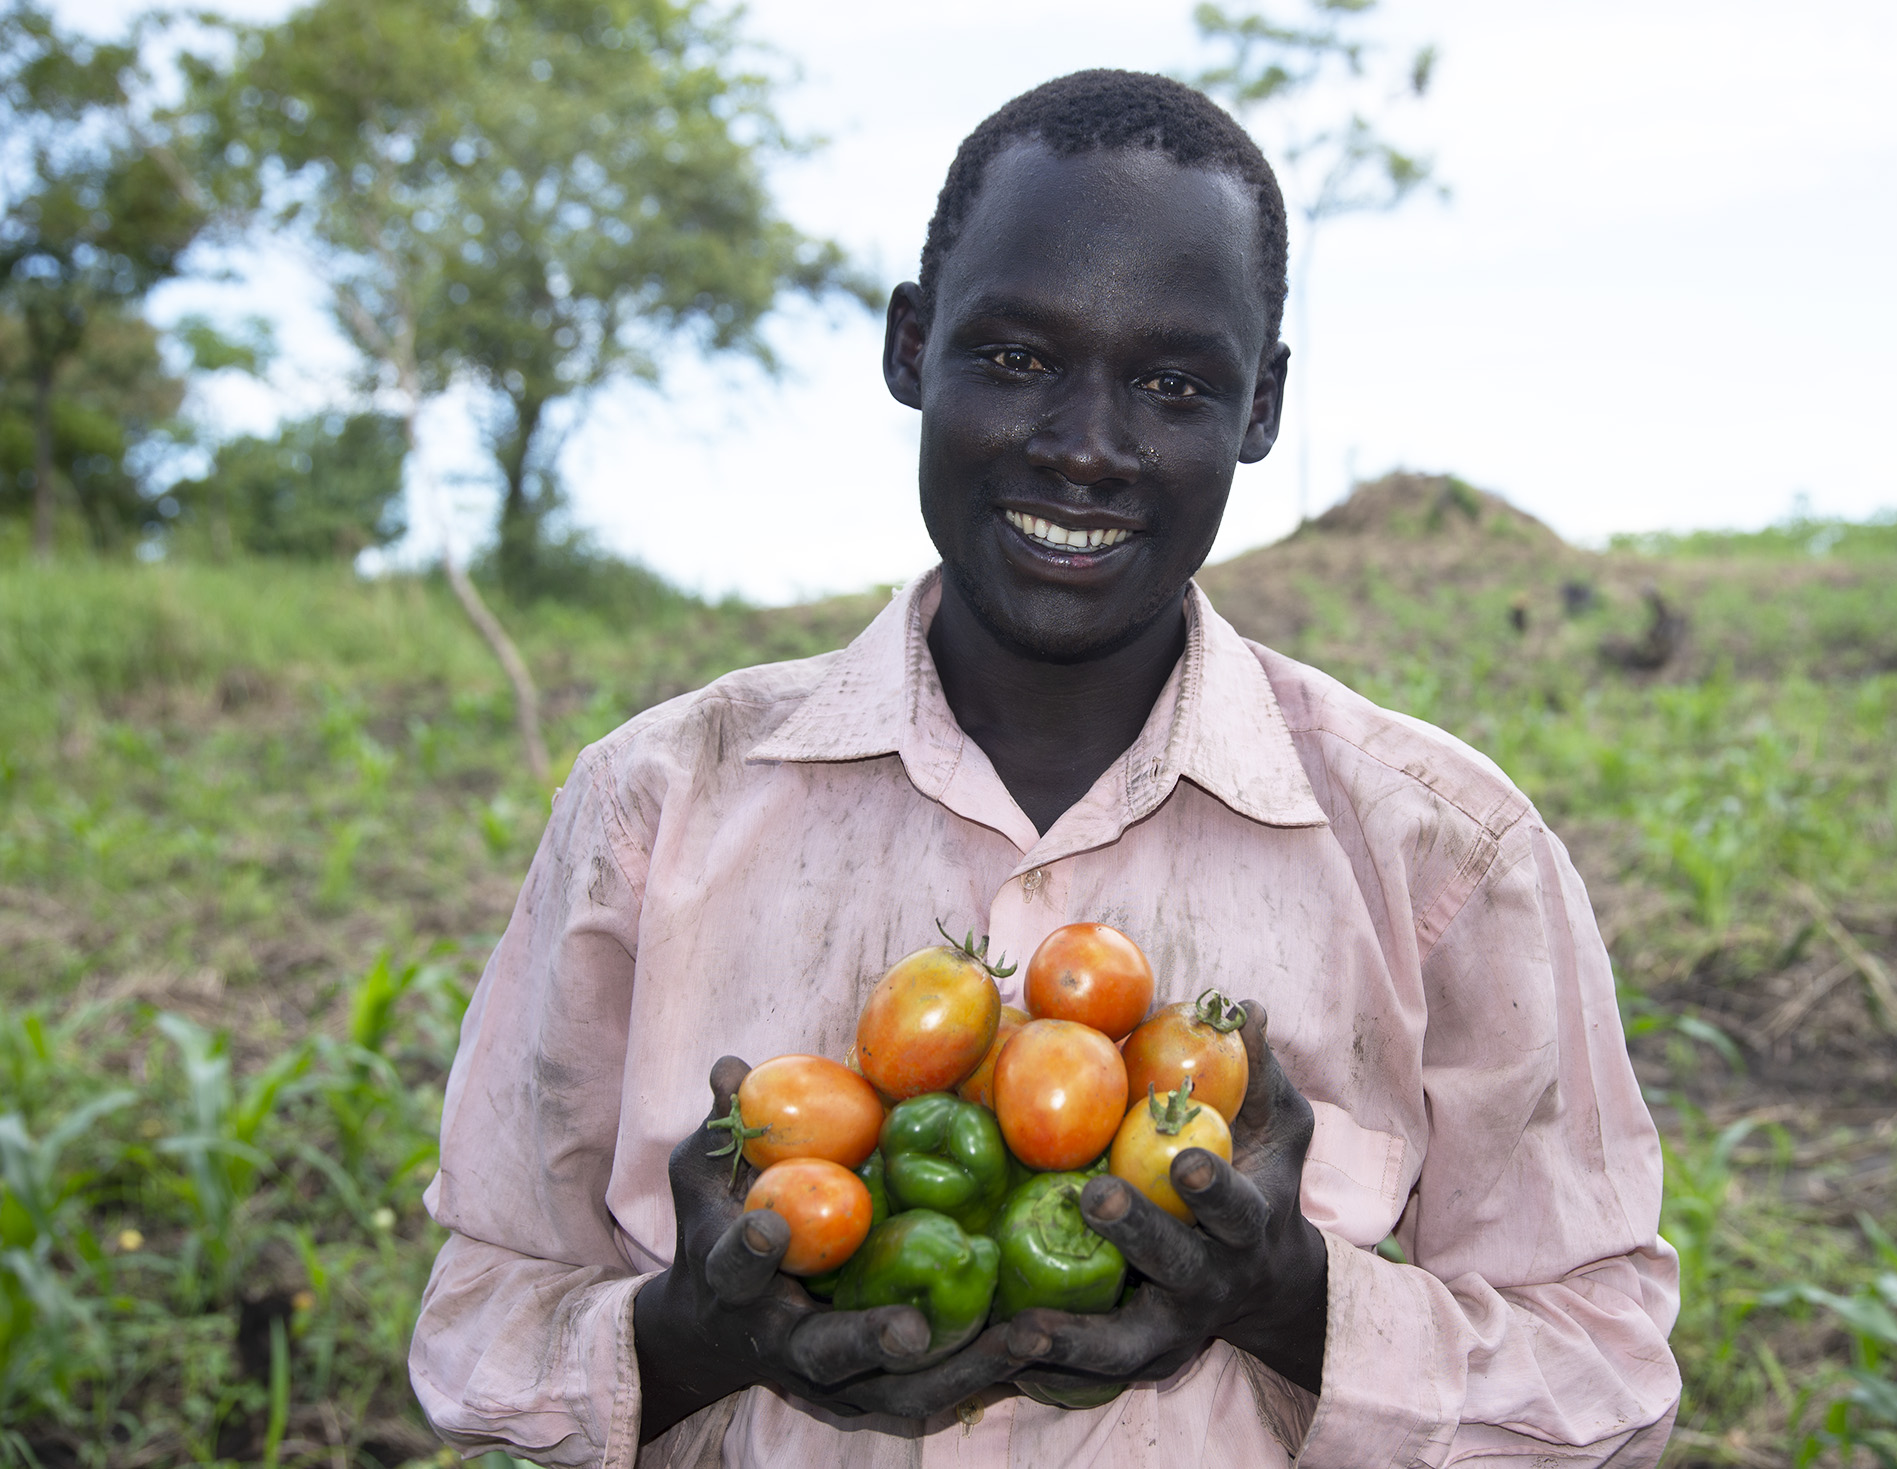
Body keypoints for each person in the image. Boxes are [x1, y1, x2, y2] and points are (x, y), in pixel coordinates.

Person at [409, 70, 1680, 1468]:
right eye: (1017, 358)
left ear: (1259, 408)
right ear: (912, 347)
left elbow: (1608, 1374)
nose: (1084, 445)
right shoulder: (655, 807)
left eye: (1172, 383)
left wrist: (1297, 1307)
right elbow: (479, 1315)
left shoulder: (1445, 858)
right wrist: (694, 1339)